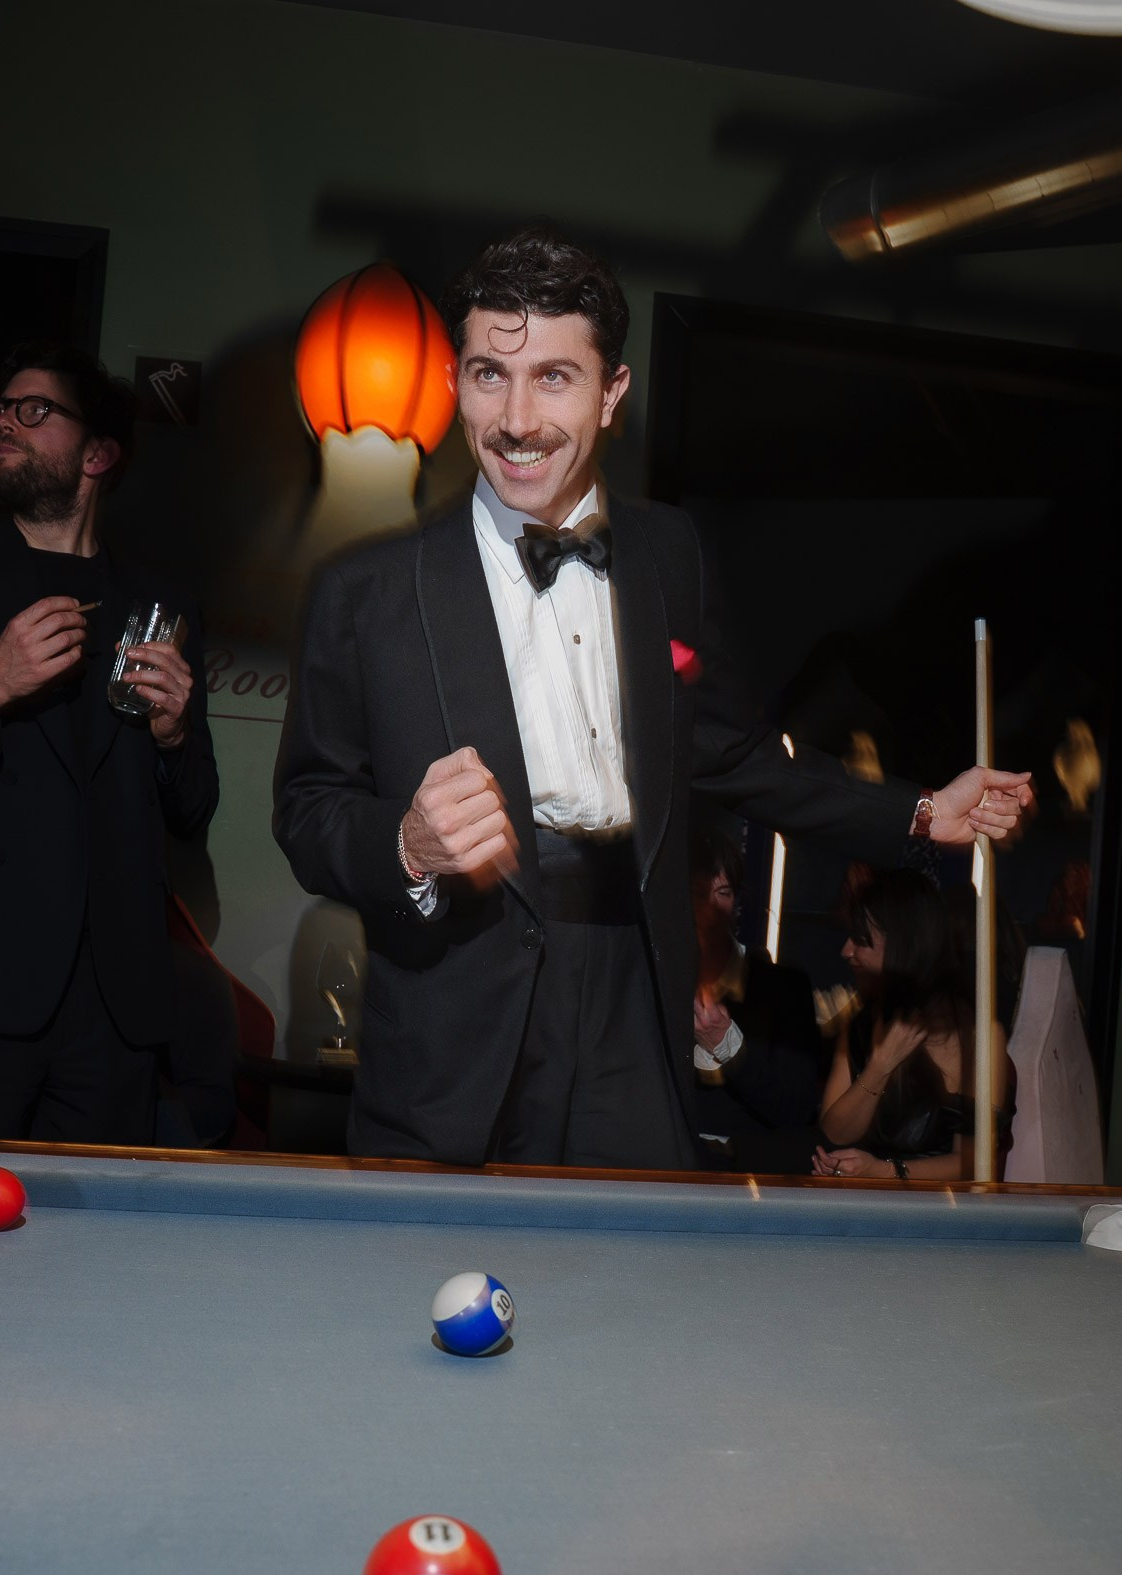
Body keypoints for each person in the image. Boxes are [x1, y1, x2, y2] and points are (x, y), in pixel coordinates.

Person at [273, 228, 1030, 1170]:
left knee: (633, 1281)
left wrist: (917, 811)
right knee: (437, 1277)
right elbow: (308, 813)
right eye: (487, 375)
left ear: (612, 392)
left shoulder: (669, 554)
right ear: (456, 382)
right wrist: (405, 845)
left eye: (553, 377)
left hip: (635, 986)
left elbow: (731, 752)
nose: (515, 418)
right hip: (454, 1009)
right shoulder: (366, 590)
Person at [0, 343, 218, 1144]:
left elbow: (194, 812)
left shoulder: (161, 605)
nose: (4, 424)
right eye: (0, 411)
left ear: (97, 453)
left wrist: (171, 735)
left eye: (35, 411)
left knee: (91, 1254)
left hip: (115, 1012)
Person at [812, 869, 1013, 1181]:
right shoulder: (865, 1022)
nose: (846, 950)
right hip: (863, 1203)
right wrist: (881, 1066)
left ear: (902, 946)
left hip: (939, 1211)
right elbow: (835, 1133)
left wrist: (885, 1171)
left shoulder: (978, 1036)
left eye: (861, 940)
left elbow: (975, 1164)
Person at [690, 824, 822, 1172]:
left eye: (723, 892)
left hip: (752, 1182)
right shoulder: (653, 981)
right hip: (668, 1177)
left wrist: (727, 1045)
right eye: (697, 893)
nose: (709, 909)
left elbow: (797, 1107)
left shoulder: (782, 988)